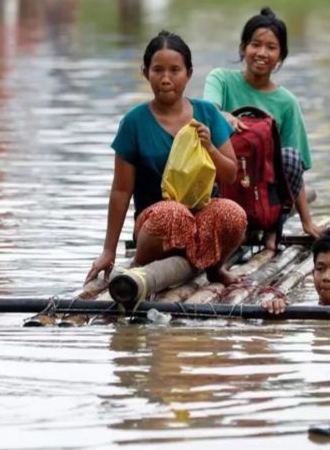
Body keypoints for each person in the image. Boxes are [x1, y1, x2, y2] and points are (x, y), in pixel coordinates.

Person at [86, 31, 247, 286]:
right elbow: (120, 190)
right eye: (158, 70)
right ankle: (142, 265)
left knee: (233, 214)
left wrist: (210, 148)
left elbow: (230, 174)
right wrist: (109, 251)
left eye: (175, 70)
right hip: (157, 225)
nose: (166, 79)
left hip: (201, 219)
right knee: (174, 214)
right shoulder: (134, 122)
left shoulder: (207, 113)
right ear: (145, 73)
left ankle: (214, 267)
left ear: (189, 74)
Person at [203, 7, 322, 250]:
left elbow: (294, 170)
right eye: (255, 44)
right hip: (224, 186)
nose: (262, 53)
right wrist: (223, 115)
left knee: (289, 157)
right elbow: (207, 112)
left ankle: (271, 231)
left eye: (271, 47)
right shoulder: (221, 80)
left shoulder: (287, 103)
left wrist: (306, 221)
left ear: (281, 56)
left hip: (264, 198)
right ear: (243, 48)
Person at [261, 227, 330, 314]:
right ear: (312, 273)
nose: (326, 277)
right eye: (320, 269)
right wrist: (275, 310)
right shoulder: (296, 311)